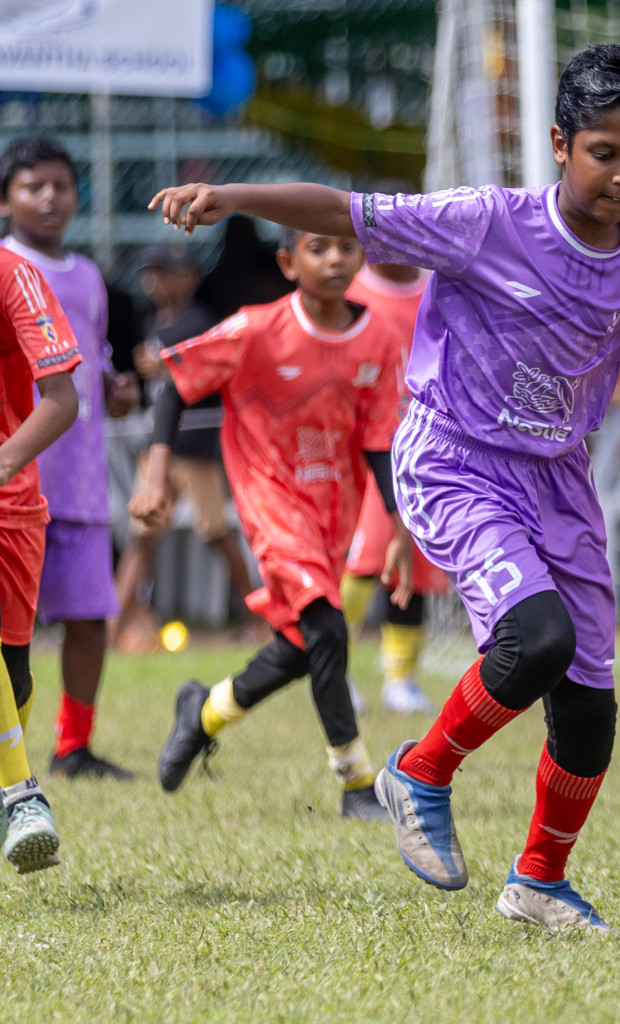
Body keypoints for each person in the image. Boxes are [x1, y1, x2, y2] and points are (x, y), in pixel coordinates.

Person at [148, 42, 620, 933]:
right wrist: (233, 196)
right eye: (605, 154)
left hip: (559, 480)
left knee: (589, 711)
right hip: (455, 460)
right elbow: (345, 211)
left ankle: (539, 882)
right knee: (536, 638)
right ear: (559, 143)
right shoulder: (485, 220)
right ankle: (419, 772)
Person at [131, 226, 410, 821]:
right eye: (318, 247)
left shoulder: (380, 337)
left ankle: (204, 712)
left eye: (345, 247)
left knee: (300, 644)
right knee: (328, 628)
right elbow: (175, 388)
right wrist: (156, 475)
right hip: (270, 500)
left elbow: (380, 441)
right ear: (288, 261)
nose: (334, 257)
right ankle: (356, 783)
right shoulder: (256, 328)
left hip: (336, 508)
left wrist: (399, 525)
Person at [0, 136, 138, 780]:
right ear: (7, 199)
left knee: (88, 615)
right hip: (15, 477)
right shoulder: (5, 267)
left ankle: (73, 746)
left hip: (77, 478)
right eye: (33, 186)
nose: (49, 198)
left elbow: (93, 361)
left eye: (60, 185)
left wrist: (116, 390)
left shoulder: (88, 276)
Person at [114, 242, 258, 653]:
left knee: (216, 534)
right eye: (151, 271)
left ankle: (254, 616)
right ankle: (114, 624)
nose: (155, 279)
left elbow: (210, 380)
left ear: (191, 278)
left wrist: (165, 365)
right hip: (156, 445)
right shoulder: (152, 320)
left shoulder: (201, 322)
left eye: (165, 271)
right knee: (142, 535)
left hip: (194, 446)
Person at [340, 227, 449, 716]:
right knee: (365, 561)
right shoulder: (350, 294)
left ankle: (401, 676)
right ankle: (332, 665)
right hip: (368, 454)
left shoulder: (440, 290)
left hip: (428, 449)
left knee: (419, 566)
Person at [0, 245, 80, 872]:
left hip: (11, 502)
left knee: (15, 680)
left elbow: (61, 398)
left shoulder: (14, 274)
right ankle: (22, 796)